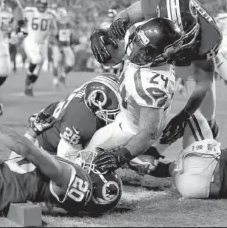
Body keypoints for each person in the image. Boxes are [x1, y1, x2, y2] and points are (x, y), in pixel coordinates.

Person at [90, 0, 227, 143]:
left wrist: (184, 115)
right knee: (135, 88)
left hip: (189, 58)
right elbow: (126, 16)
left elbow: (203, 83)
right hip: (153, 41)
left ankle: (207, 127)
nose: (175, 44)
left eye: (180, 40)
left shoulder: (209, 36)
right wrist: (108, 34)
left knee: (205, 116)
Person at [87, 17, 214, 174]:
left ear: (162, 55)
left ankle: (148, 166)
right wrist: (98, 36)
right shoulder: (144, 35)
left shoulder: (153, 83)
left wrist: (122, 155)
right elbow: (116, 41)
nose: (135, 51)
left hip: (131, 132)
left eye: (145, 52)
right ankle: (143, 163)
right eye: (136, 43)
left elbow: (148, 133)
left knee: (88, 164)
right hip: (125, 116)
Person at [0, 111, 122, 217]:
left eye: (96, 167)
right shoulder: (65, 195)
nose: (90, 162)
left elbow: (23, 149)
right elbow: (18, 167)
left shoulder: (66, 175)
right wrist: (32, 133)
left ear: (93, 182)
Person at [9, 73, 122, 163]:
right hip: (50, 144)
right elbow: (68, 163)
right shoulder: (81, 120)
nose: (118, 114)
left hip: (56, 117)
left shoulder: (95, 90)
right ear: (95, 103)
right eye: (113, 113)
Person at [23, 0, 58, 97]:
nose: (41, 5)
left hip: (43, 43)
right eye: (39, 3)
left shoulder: (51, 14)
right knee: (36, 60)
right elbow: (20, 21)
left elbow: (54, 29)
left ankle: (30, 87)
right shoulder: (29, 11)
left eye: (43, 3)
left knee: (39, 68)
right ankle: (28, 78)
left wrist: (53, 33)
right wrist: (20, 30)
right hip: (31, 40)